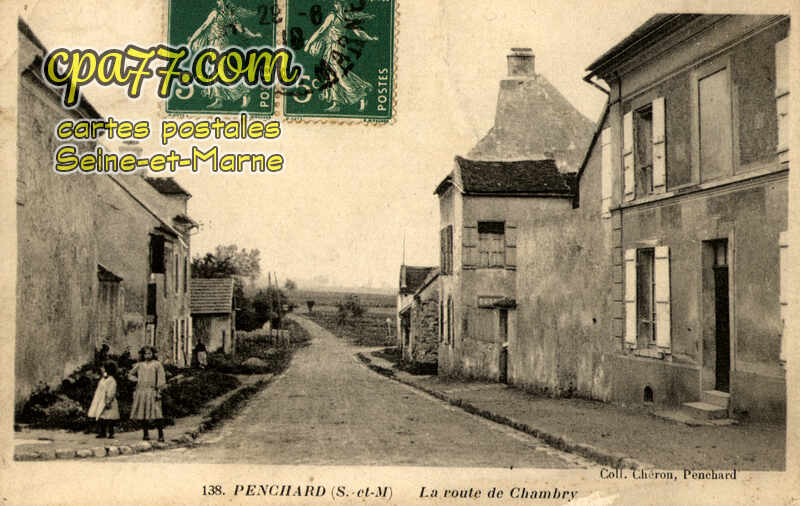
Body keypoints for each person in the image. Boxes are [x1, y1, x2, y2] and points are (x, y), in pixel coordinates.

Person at [303, 0, 378, 112]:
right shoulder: (333, 16)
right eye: (337, 3)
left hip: (338, 48)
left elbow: (358, 32)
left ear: (343, 5)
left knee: (341, 75)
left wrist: (369, 38)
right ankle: (336, 103)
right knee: (332, 75)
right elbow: (321, 31)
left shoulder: (344, 17)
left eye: (339, 3)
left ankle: (361, 94)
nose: (338, 5)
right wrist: (309, 44)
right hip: (331, 48)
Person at [187, 0, 262, 108]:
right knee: (216, 71)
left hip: (219, 43)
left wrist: (253, 35)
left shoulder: (226, 14)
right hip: (213, 43)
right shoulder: (222, 13)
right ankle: (219, 99)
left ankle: (244, 93)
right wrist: (192, 40)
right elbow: (204, 27)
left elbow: (241, 29)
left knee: (220, 71)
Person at [128, 346, 167, 442]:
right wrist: (137, 380)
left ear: (153, 354)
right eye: (145, 353)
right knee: (143, 412)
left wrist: (159, 390)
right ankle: (145, 434)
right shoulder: (140, 365)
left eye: (150, 353)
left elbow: (161, 378)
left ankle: (160, 435)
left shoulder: (157, 364)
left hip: (152, 391)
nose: (147, 355)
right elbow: (130, 374)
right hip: (141, 391)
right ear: (143, 354)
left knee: (157, 413)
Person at [87, 361, 120, 438]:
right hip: (101, 401)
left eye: (103, 368)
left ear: (107, 369)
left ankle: (111, 433)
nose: (102, 369)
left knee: (110, 418)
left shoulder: (112, 380)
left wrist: (108, 401)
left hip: (108, 401)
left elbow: (111, 391)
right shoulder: (103, 379)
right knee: (102, 417)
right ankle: (102, 432)